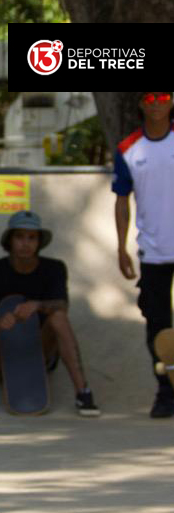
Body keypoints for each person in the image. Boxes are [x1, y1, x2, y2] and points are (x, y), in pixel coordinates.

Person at [0, 211, 99, 420]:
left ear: (39, 242)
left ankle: (84, 395)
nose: (26, 244)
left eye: (32, 238)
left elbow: (62, 304)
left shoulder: (54, 268)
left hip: (40, 351)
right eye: (20, 237)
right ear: (10, 240)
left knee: (58, 317)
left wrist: (38, 305)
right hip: (1, 356)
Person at [114, 91, 174, 419]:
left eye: (163, 95)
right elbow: (121, 200)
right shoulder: (128, 149)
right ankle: (165, 391)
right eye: (149, 96)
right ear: (141, 104)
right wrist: (121, 247)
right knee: (158, 328)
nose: (156, 102)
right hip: (153, 255)